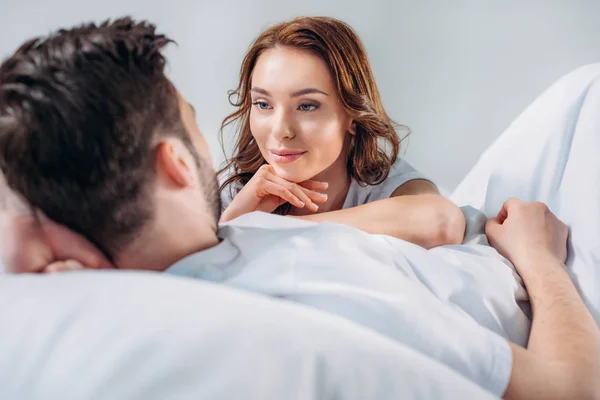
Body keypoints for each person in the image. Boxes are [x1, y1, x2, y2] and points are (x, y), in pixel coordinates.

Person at [0, 18, 598, 399]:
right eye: (192, 130)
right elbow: (573, 389)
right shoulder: (313, 278)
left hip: (479, 231)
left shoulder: (113, 264)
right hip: (535, 273)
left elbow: (437, 218)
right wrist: (540, 258)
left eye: (307, 105)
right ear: (177, 165)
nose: (278, 129)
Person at [218, 17, 465, 249]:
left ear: (353, 116)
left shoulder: (385, 186)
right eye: (263, 104)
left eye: (307, 106)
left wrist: (257, 229)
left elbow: (443, 222)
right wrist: (234, 219)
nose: (281, 130)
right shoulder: (234, 192)